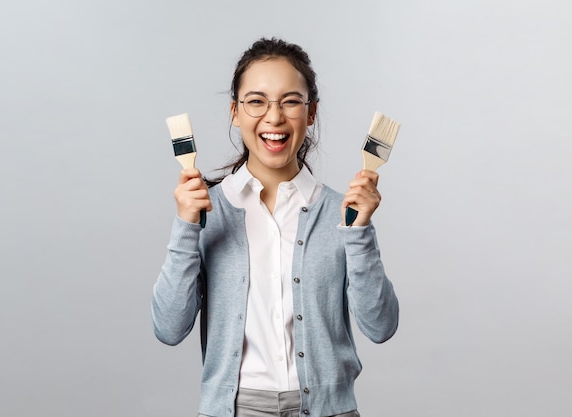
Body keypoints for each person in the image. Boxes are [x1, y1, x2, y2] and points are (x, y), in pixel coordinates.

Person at [152, 37, 399, 417]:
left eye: (290, 101)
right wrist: (187, 226)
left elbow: (381, 326)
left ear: (311, 112)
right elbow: (169, 329)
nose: (274, 117)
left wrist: (359, 234)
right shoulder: (205, 210)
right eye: (256, 101)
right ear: (234, 111)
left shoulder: (341, 212)